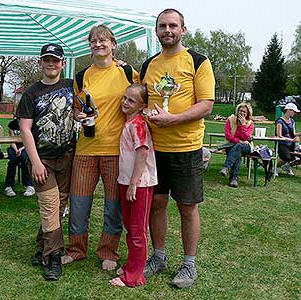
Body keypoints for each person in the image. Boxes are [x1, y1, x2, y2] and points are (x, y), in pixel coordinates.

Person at [140, 9, 215, 288]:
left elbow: (206, 104)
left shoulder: (198, 62)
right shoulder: (148, 65)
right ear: (156, 30)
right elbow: (140, 97)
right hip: (154, 148)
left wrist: (172, 119)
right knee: (156, 204)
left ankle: (188, 265)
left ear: (183, 29)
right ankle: (158, 257)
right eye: (162, 26)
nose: (167, 30)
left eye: (173, 25)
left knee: (187, 207)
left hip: (186, 147)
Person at [61, 24, 139, 271]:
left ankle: (109, 251)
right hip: (85, 150)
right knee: (79, 203)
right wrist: (78, 116)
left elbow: (141, 96)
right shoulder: (82, 76)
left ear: (113, 44)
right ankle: (76, 249)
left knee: (113, 206)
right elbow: (76, 108)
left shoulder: (127, 72)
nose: (98, 44)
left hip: (116, 151)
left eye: (103, 40)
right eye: (93, 41)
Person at [16, 43, 76, 281]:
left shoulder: (72, 86)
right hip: (42, 159)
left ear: (62, 63)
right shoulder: (32, 93)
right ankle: (52, 257)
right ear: (40, 63)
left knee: (58, 207)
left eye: (55, 60)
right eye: (46, 60)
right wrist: (36, 162)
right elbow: (25, 129)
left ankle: (42, 244)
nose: (51, 64)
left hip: (67, 156)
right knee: (50, 206)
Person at [109, 83, 157, 288]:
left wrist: (134, 183)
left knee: (138, 231)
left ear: (141, 105)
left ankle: (134, 276)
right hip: (126, 181)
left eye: (131, 100)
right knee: (130, 227)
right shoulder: (129, 123)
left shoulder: (138, 124)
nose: (125, 102)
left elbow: (142, 152)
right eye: (125, 98)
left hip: (140, 184)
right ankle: (131, 264)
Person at [219, 102, 254, 187]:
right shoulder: (230, 120)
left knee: (238, 147)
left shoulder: (250, 123)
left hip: (247, 146)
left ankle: (226, 167)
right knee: (237, 149)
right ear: (237, 111)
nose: (242, 113)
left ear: (248, 114)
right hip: (232, 144)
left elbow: (247, 138)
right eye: (240, 111)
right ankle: (233, 179)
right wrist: (239, 141)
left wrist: (243, 125)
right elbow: (228, 135)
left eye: (244, 112)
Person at [4, 116, 35, 197]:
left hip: (26, 146)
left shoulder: (29, 124)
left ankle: (29, 185)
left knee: (25, 158)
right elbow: (11, 140)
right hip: (14, 146)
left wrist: (21, 149)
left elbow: (30, 139)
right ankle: (9, 186)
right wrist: (16, 149)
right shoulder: (11, 125)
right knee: (12, 160)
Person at [275, 102, 300, 176]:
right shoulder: (279, 121)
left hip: (291, 144)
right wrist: (292, 140)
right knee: (286, 157)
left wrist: (299, 134)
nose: (295, 113)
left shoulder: (292, 121)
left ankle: (287, 166)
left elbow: (294, 133)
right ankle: (275, 167)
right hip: (282, 144)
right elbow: (279, 135)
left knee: (295, 157)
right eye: (294, 111)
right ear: (288, 110)